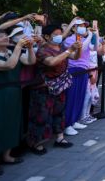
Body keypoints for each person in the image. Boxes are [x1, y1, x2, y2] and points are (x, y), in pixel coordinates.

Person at [0, 29, 36, 177]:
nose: (5, 37)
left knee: (11, 124)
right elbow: (8, 66)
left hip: (14, 93)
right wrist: (18, 47)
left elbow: (31, 61)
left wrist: (30, 47)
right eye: (0, 35)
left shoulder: (12, 52)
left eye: (6, 35)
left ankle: (7, 155)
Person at [27, 25, 81, 155]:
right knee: (41, 115)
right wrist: (69, 51)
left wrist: (78, 49)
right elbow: (52, 62)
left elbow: (75, 57)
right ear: (46, 36)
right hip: (44, 87)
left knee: (59, 111)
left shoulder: (61, 47)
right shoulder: (42, 50)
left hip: (60, 86)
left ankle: (59, 138)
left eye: (60, 33)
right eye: (56, 34)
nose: (59, 36)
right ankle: (36, 143)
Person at [62, 19, 93, 135]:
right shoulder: (69, 40)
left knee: (80, 96)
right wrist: (89, 35)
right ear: (74, 28)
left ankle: (74, 120)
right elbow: (82, 48)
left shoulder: (85, 39)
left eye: (84, 26)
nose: (83, 28)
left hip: (84, 70)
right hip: (73, 70)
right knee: (72, 97)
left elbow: (94, 48)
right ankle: (67, 124)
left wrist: (94, 33)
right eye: (80, 26)